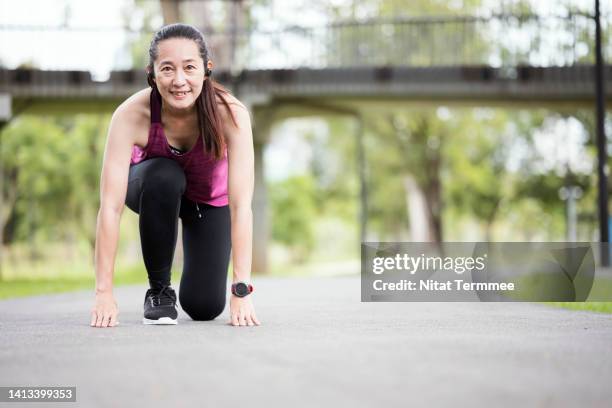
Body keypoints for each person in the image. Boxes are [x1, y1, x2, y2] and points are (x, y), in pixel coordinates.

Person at [90, 23, 260, 328]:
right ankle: (159, 291)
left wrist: (241, 289)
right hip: (150, 187)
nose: (179, 80)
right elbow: (110, 208)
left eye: (189, 68)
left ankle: (196, 292)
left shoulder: (231, 114)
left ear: (207, 70)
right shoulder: (131, 115)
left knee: (204, 306)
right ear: (152, 73)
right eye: (167, 69)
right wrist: (104, 292)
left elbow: (241, 207)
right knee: (165, 175)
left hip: (206, 201)